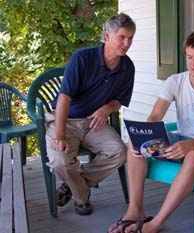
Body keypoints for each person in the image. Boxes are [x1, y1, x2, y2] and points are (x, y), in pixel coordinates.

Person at [108, 31, 194, 233]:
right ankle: (135, 210)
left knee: (193, 156)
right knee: (135, 142)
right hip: (179, 141)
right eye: (189, 57)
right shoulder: (175, 81)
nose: (193, 64)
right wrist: (144, 137)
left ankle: (156, 223)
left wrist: (189, 145)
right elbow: (155, 115)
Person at [45, 13, 136, 216]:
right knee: (59, 160)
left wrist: (107, 108)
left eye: (130, 38)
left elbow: (120, 99)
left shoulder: (127, 67)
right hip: (66, 120)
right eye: (122, 37)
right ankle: (81, 197)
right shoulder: (82, 58)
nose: (127, 43)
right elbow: (64, 99)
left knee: (120, 152)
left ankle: (72, 185)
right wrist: (59, 136)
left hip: (94, 123)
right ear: (106, 36)